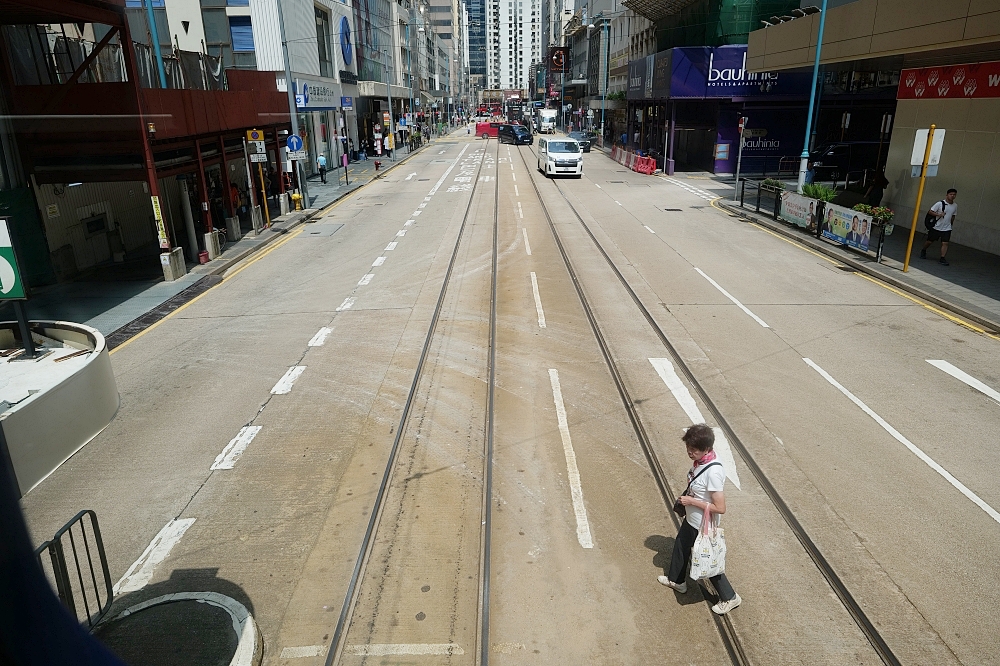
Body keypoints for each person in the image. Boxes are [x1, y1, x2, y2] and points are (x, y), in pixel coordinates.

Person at [658, 424, 741, 615]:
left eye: (693, 450)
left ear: (707, 449)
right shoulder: (703, 461)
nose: (689, 452)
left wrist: (691, 501)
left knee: (706, 560)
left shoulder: (713, 472)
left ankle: (730, 597)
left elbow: (720, 508)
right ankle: (677, 581)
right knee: (681, 545)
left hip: (703, 525)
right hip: (692, 520)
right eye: (688, 448)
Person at [921, 188, 957, 265]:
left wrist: (951, 224)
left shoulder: (955, 205)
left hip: (947, 228)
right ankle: (924, 250)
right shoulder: (939, 204)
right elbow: (930, 211)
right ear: (947, 195)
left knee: (945, 243)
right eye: (951, 194)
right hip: (936, 227)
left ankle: (942, 257)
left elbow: (953, 215)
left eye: (954, 195)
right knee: (930, 241)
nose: (952, 196)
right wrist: (938, 214)